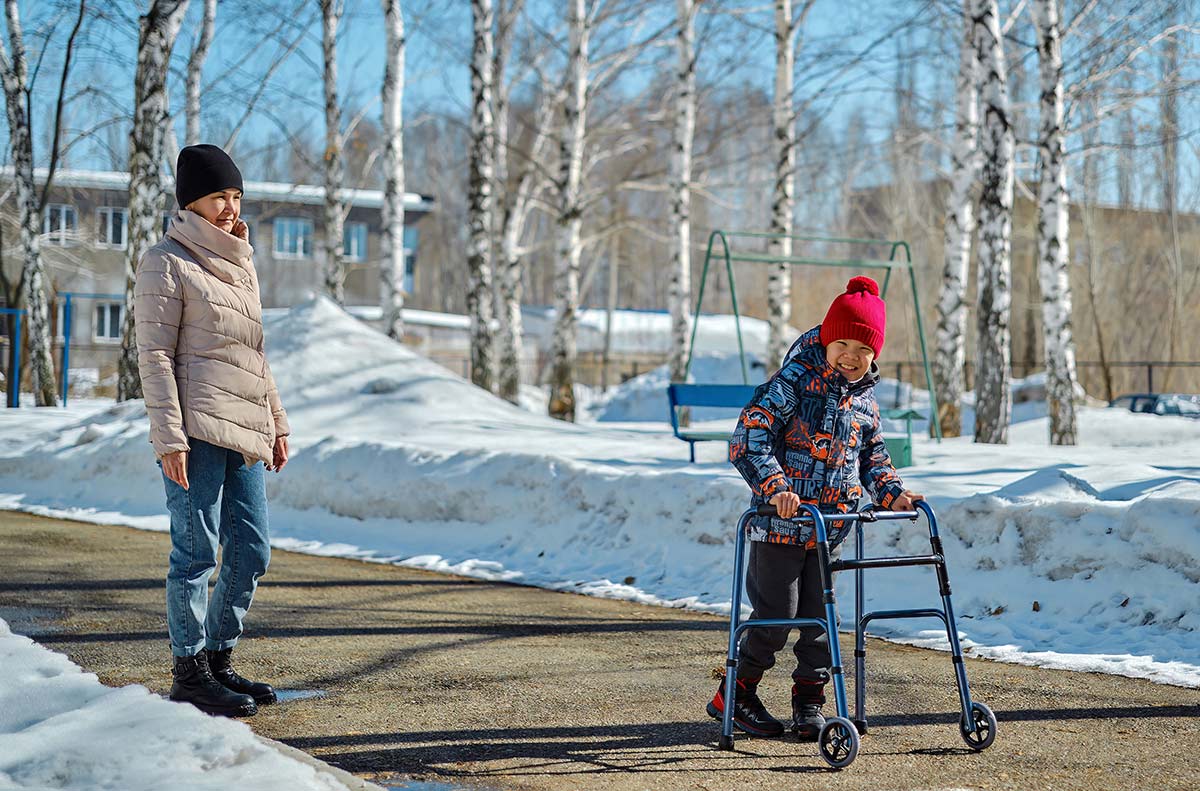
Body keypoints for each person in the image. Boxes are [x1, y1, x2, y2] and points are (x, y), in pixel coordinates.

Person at [709, 275, 923, 740]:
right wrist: (776, 488)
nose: (851, 355)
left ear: (875, 354)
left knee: (821, 624)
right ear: (826, 339)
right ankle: (736, 691)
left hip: (831, 528)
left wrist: (892, 492)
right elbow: (748, 439)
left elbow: (872, 457)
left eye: (863, 349)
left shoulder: (865, 400)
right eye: (842, 343)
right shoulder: (791, 382)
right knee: (776, 619)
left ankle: (809, 702)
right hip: (781, 526)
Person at [135, 144, 290, 717]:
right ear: (190, 200)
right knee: (196, 553)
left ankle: (220, 659)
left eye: (236, 195)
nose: (230, 206)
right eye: (218, 196)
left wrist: (276, 422)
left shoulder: (241, 261)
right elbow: (153, 355)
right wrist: (169, 437)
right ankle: (190, 670)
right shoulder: (166, 261)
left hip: (246, 426)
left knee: (251, 549)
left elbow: (255, 353)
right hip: (196, 427)